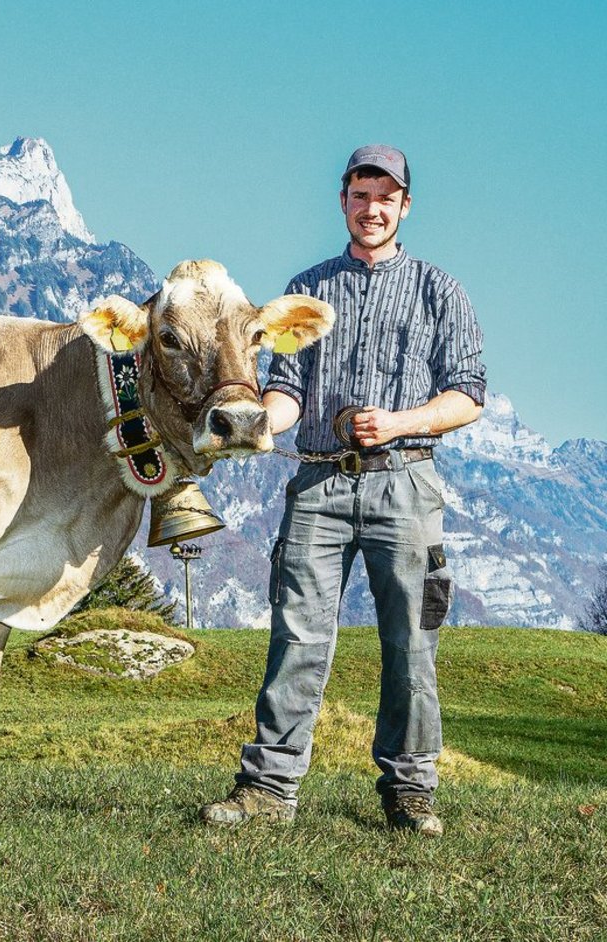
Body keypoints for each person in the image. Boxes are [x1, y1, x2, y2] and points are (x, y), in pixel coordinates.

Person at [199, 144, 486, 836]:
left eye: (386, 196)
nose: (373, 208)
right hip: (320, 484)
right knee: (296, 634)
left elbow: (470, 395)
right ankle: (268, 788)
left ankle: (410, 792)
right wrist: (258, 421)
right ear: (343, 202)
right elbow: (289, 391)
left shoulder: (440, 291)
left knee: (411, 640)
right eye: (361, 195)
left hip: (406, 483)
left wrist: (398, 422)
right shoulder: (306, 290)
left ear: (405, 205)